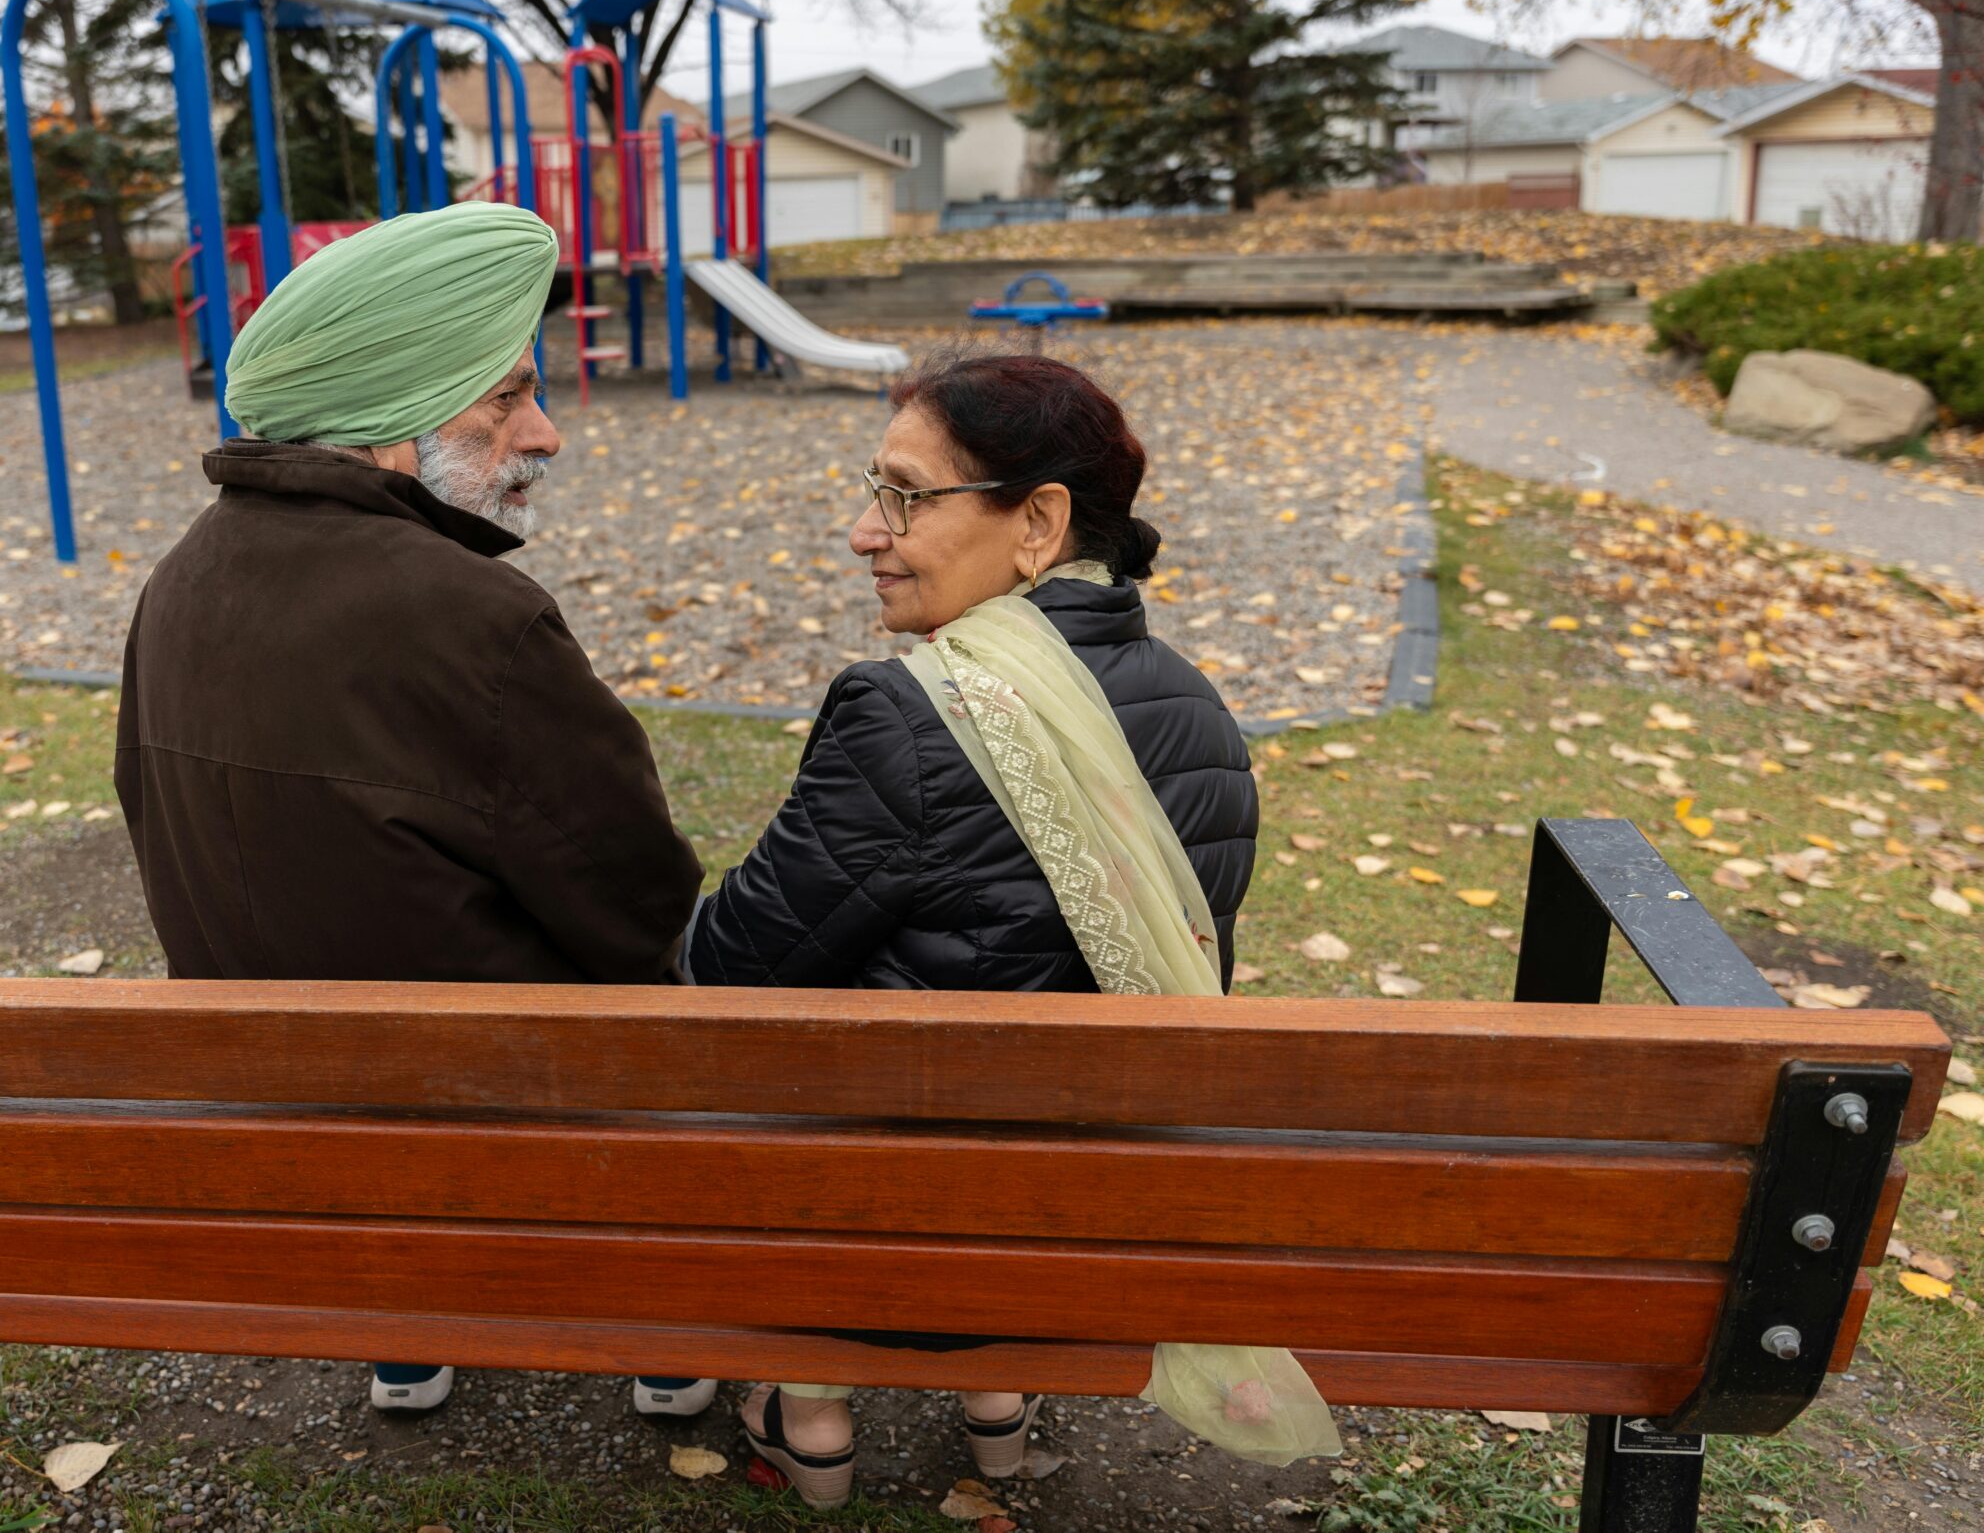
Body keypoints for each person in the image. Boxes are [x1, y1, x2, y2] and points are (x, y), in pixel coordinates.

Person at [686, 352, 1334, 1506]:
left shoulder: (903, 716)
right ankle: (997, 1405)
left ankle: (811, 1406)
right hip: (1080, 1243)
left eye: (902, 496)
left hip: (895, 1248)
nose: (860, 532)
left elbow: (730, 969)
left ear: (1038, 521)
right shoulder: (1200, 707)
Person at [115, 200, 710, 1419]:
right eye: (503, 402)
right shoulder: (472, 619)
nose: (541, 435)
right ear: (389, 428)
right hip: (490, 1110)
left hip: (279, 1104)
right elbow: (634, 896)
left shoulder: (182, 577)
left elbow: (146, 806)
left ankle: (404, 1326)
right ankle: (655, 1322)